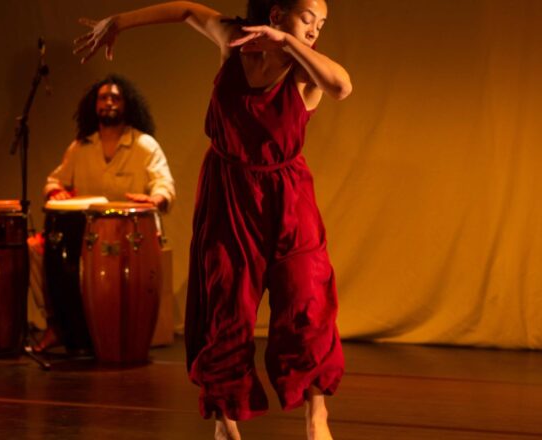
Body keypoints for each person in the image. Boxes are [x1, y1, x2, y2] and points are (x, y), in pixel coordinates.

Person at [74, 1, 351, 439]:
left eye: (322, 23)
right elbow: (186, 11)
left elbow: (340, 86)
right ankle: (225, 420)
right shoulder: (234, 40)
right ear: (276, 12)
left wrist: (287, 41)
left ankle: (317, 415)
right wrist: (118, 23)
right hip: (229, 192)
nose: (316, 29)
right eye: (306, 18)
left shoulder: (304, 70)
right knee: (227, 305)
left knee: (307, 298)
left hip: (287, 196)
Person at [30, 74, 176, 351]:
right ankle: (56, 324)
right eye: (103, 97)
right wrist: (55, 192)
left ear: (127, 105)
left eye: (115, 97)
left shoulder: (144, 145)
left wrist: (153, 199)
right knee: (36, 249)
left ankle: (118, 332)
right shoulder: (81, 147)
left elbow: (164, 186)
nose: (109, 102)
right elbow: (53, 181)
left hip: (131, 236)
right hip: (84, 235)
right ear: (93, 105)